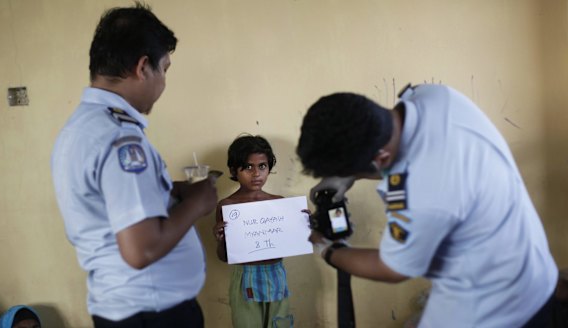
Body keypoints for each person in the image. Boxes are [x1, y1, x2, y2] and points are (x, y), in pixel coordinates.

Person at [296, 84, 558, 327]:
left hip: (495, 307)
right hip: (534, 269)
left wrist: (327, 250)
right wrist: (351, 172)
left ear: (380, 158)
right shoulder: (435, 96)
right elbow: (400, 157)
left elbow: (391, 268)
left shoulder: (423, 196)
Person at [51, 3, 218, 327]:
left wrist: (168, 192)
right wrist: (197, 203)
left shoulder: (81, 128)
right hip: (151, 313)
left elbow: (111, 202)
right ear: (143, 67)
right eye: (164, 69)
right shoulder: (121, 140)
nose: (164, 83)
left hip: (128, 308)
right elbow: (141, 250)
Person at [213, 134, 294, 328]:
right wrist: (220, 239)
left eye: (262, 166)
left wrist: (300, 224)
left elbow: (291, 242)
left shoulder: (279, 203)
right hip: (244, 278)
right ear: (234, 170)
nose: (256, 173)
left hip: (276, 276)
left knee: (279, 324)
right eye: (248, 167)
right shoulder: (227, 206)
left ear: (269, 168)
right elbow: (224, 257)